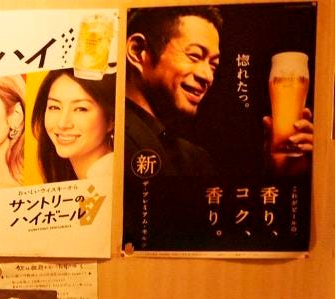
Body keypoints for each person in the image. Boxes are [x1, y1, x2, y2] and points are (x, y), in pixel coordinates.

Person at [124, 6, 312, 178]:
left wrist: (281, 171)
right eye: (194, 56)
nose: (207, 76)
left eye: (213, 66)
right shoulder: (112, 138)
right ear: (138, 50)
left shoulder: (194, 158)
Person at [32, 71, 116, 183]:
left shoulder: (109, 179)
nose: (62, 124)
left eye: (81, 109)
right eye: (54, 107)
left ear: (111, 119)